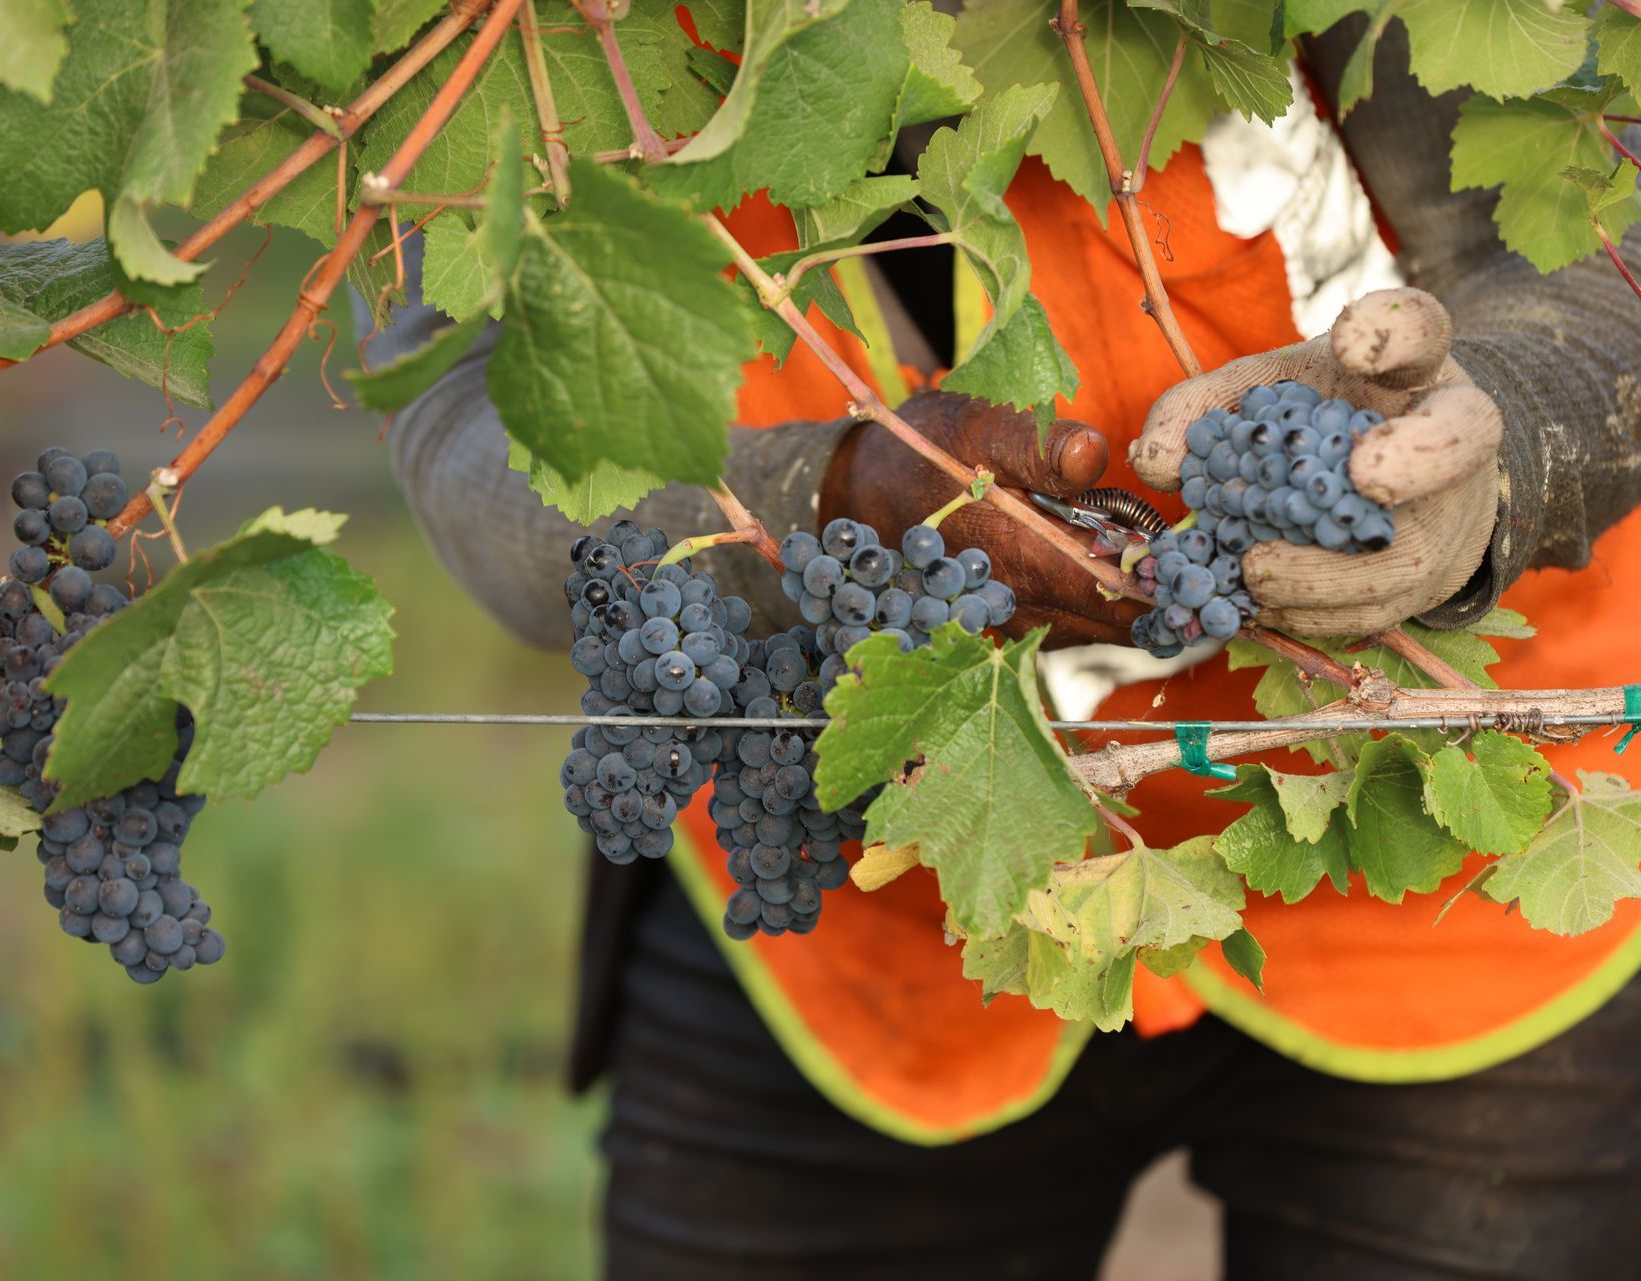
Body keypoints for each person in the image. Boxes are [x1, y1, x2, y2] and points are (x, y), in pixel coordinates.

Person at [374, 15, 1641, 1279]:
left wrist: (1508, 444)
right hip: (869, 903)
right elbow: (470, 431)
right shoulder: (531, 34)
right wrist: (814, 501)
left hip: (1447, 838)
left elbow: (1582, 218)